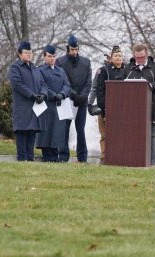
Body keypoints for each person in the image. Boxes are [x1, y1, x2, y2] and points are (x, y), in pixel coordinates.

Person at [123, 43, 155, 165]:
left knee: (151, 136)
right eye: (137, 58)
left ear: (146, 55)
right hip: (132, 110)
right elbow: (121, 84)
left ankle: (152, 163)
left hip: (151, 108)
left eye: (142, 57)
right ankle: (132, 161)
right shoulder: (128, 68)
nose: (140, 60)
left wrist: (150, 86)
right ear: (134, 56)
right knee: (133, 136)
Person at [7, 40, 48, 161]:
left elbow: (43, 84)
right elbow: (17, 85)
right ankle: (22, 158)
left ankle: (30, 158)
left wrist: (43, 95)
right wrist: (32, 95)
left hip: (35, 106)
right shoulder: (15, 67)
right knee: (22, 131)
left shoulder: (35, 69)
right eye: (26, 52)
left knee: (32, 132)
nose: (29, 54)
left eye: (31, 52)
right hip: (22, 107)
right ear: (20, 54)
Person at [56, 34, 92, 163]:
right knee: (64, 129)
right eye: (72, 49)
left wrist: (82, 96)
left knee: (80, 129)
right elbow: (63, 81)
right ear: (68, 48)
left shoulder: (86, 62)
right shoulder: (60, 62)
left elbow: (89, 82)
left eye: (76, 49)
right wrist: (73, 95)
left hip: (81, 102)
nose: (74, 52)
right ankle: (63, 156)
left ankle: (82, 157)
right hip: (68, 100)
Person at [35, 44, 71, 162]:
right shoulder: (40, 70)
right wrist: (52, 95)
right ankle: (48, 157)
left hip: (59, 106)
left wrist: (62, 94)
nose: (52, 58)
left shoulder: (61, 71)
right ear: (45, 57)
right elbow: (42, 85)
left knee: (57, 132)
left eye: (54, 56)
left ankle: (55, 157)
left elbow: (67, 85)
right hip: (47, 105)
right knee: (47, 132)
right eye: (50, 56)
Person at [95, 46, 125, 164]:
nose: (118, 58)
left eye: (120, 56)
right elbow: (100, 91)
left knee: (120, 135)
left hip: (122, 109)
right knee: (105, 135)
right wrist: (104, 109)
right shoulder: (104, 71)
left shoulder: (127, 70)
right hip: (106, 108)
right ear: (111, 58)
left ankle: (120, 158)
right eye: (116, 56)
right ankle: (104, 158)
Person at [87, 54, 111, 164]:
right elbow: (94, 88)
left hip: (119, 108)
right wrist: (90, 103)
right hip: (102, 107)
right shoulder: (101, 71)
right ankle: (104, 158)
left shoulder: (124, 70)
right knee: (104, 135)